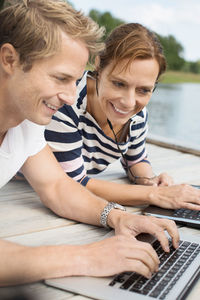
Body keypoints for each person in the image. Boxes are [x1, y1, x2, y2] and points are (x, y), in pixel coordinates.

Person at [0, 0, 180, 287]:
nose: (71, 98)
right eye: (60, 78)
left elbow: (57, 187)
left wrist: (118, 218)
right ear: (10, 60)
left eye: (75, 81)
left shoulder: (27, 122)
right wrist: (85, 257)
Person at [45, 23, 200, 210]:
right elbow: (73, 183)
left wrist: (150, 182)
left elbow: (135, 160)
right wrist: (156, 195)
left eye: (143, 90)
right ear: (99, 65)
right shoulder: (65, 101)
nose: (129, 102)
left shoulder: (138, 114)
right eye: (119, 83)